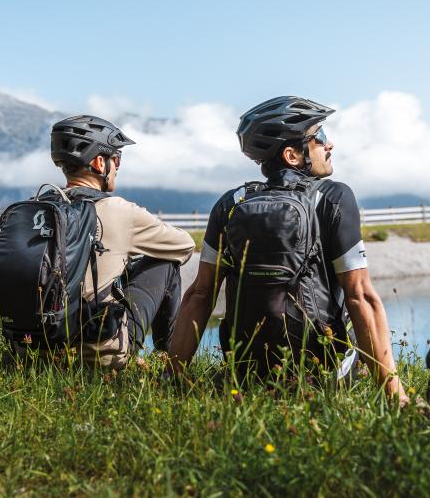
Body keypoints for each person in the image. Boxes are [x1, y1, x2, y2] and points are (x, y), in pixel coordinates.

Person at [167, 96, 408, 403]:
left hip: (245, 373)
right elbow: (361, 296)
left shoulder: (230, 203)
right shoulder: (334, 197)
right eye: (319, 137)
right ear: (293, 155)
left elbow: (201, 295)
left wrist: (171, 379)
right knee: (354, 297)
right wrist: (397, 396)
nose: (329, 144)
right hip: (321, 376)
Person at [49, 115, 195, 367]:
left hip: (33, 348)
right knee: (165, 264)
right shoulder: (117, 210)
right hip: (97, 352)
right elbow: (184, 245)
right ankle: (167, 359)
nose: (117, 166)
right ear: (99, 162)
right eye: (116, 159)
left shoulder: (38, 206)